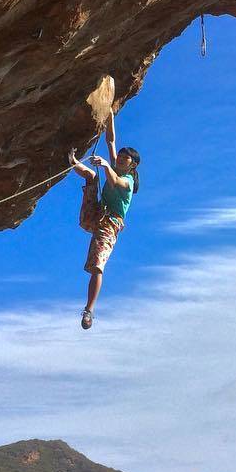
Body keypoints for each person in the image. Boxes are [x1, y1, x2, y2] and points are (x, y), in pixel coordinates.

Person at [68, 111, 140, 329]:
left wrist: (106, 165)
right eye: (120, 156)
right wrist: (110, 114)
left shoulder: (127, 180)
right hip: (94, 215)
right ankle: (71, 161)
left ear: (133, 165)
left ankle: (89, 310)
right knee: (91, 176)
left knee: (97, 266)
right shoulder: (116, 165)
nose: (120, 158)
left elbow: (116, 181)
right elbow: (110, 140)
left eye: (125, 158)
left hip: (110, 225)